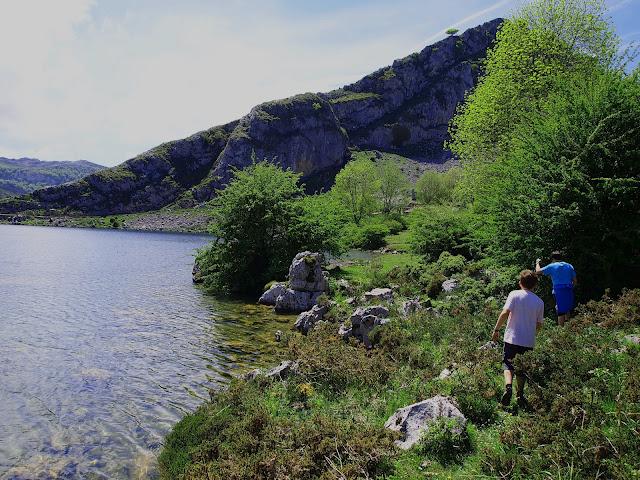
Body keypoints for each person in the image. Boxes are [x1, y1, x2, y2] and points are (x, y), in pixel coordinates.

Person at [492, 270, 544, 408]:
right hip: (528, 341)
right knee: (522, 369)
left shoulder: (514, 294)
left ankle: (508, 387)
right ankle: (520, 394)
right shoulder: (539, 302)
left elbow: (505, 312)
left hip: (512, 338)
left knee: (508, 365)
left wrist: (496, 329)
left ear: (520, 283)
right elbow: (539, 324)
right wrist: (532, 334)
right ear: (535, 285)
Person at [536, 251, 577, 326]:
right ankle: (568, 327)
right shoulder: (569, 266)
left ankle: (561, 331)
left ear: (552, 259)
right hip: (568, 288)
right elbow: (575, 281)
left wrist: (537, 263)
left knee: (560, 310)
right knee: (567, 308)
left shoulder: (552, 266)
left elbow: (538, 271)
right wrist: (570, 288)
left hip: (558, 290)